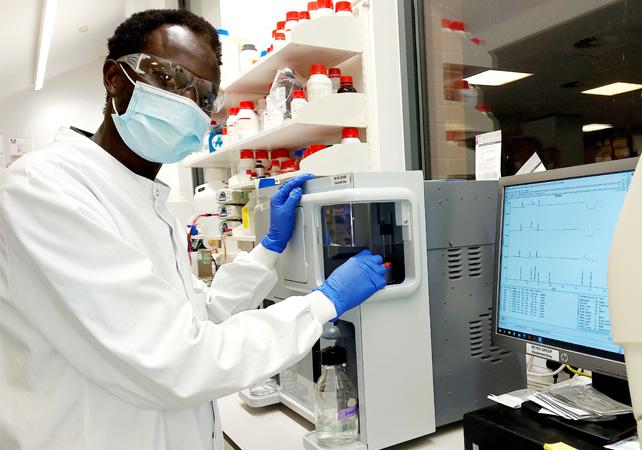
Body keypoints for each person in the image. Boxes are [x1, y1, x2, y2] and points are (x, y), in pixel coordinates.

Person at [0, 9, 387, 450]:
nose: (188, 102)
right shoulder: (47, 188)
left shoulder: (147, 197)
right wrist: (322, 304)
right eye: (170, 78)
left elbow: (197, 316)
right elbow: (175, 361)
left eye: (205, 97)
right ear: (114, 77)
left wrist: (268, 248)